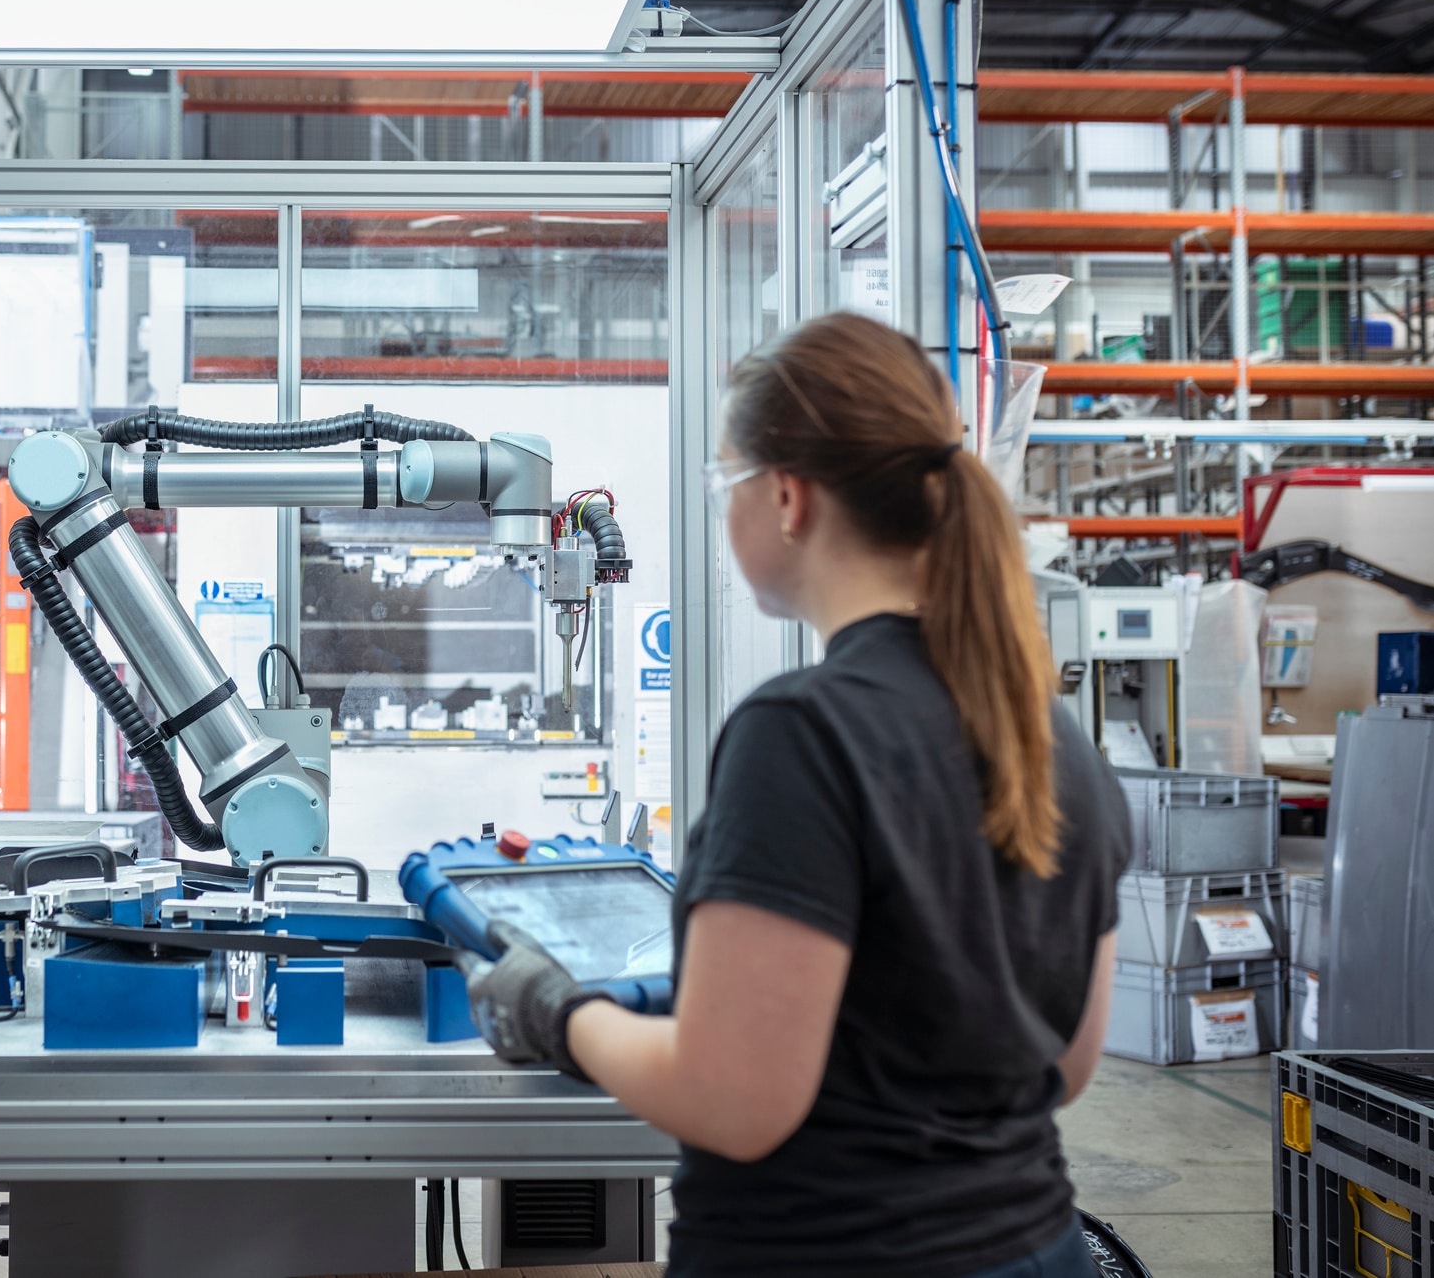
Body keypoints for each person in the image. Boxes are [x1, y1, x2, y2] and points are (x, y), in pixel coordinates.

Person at [468, 313, 1132, 1277]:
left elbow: (735, 1101)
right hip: (1034, 1248)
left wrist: (558, 1011)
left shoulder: (803, 734)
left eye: (721, 482)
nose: (723, 507)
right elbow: (1063, 1067)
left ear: (785, 496)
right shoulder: (1051, 738)